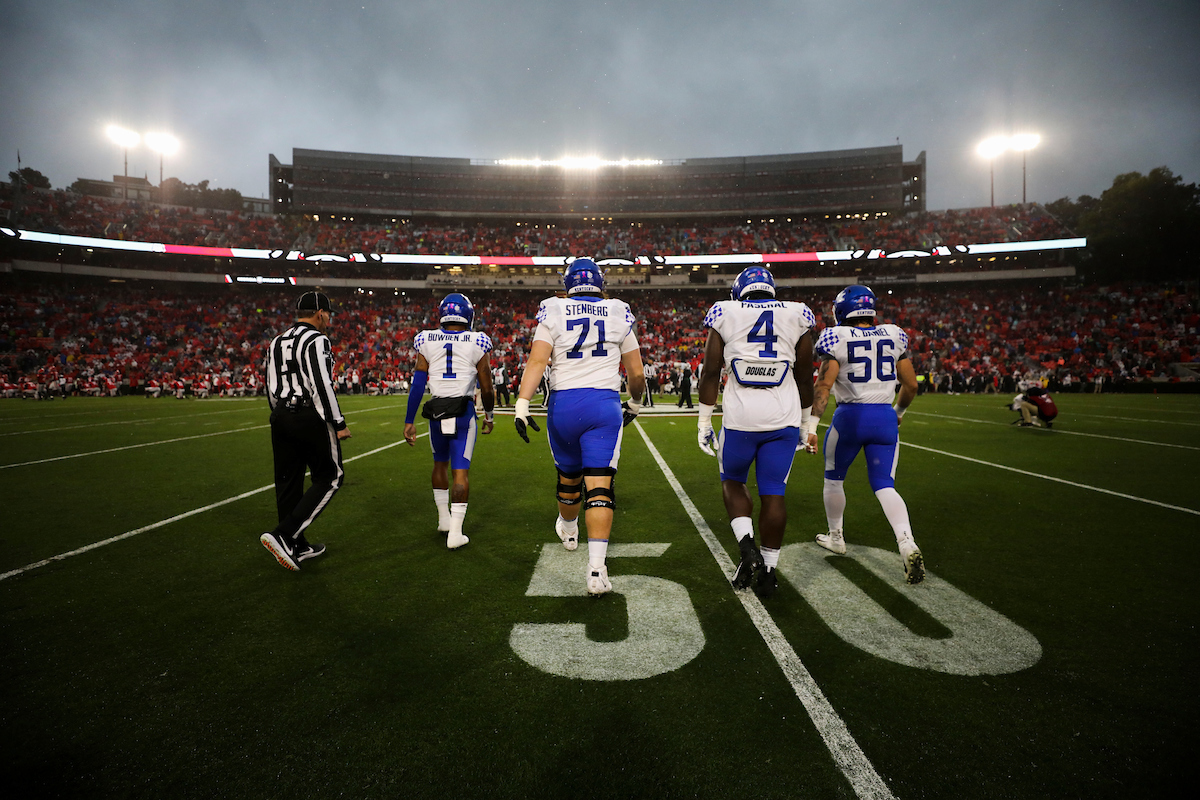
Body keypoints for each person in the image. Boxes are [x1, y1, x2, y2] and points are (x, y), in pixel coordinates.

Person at [513, 258, 646, 596]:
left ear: (568, 283)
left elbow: (537, 361)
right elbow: (637, 373)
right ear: (600, 283)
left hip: (564, 406)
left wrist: (522, 403)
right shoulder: (617, 310)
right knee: (600, 488)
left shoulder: (554, 310)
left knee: (569, 477)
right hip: (603, 406)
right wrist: (635, 403)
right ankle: (597, 571)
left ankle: (570, 530)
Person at [696, 266, 816, 598]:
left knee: (733, 481)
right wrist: (807, 425)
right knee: (773, 493)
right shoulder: (796, 314)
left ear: (739, 292)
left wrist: (704, 421)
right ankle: (770, 571)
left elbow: (710, 371)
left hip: (741, 418)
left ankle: (747, 545)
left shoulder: (726, 311)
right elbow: (806, 377)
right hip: (784, 416)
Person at [808, 284, 924, 584]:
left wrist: (810, 425)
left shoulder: (837, 336)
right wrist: (897, 413)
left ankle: (836, 537)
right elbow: (911, 385)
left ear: (842, 309)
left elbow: (823, 385)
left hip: (850, 417)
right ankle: (906, 542)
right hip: (884, 417)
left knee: (833, 479)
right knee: (885, 485)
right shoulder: (892, 334)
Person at [260, 291, 352, 571]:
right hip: (308, 414)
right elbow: (322, 384)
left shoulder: (276, 341)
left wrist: (279, 414)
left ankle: (297, 546)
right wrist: (338, 423)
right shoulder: (317, 339)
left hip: (280, 415)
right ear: (320, 313)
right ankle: (285, 535)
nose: (328, 320)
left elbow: (269, 383)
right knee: (331, 476)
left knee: (288, 481)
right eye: (328, 315)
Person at [404, 293, 495, 549]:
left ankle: (443, 519)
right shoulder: (477, 340)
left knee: (439, 465)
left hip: (435, 411)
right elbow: (487, 387)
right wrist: (489, 415)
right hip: (463, 412)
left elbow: (418, 384)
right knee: (460, 471)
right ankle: (455, 532)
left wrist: (409, 420)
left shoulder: (427, 340)